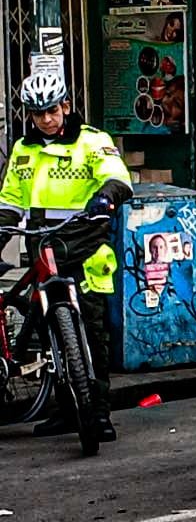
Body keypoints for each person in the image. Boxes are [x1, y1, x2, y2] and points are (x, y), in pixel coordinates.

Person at [0, 71, 133, 441]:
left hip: (86, 243)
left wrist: (106, 197)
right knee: (48, 330)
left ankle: (99, 413)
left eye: (52, 110)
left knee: (91, 328)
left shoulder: (91, 141)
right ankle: (64, 409)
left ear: (66, 106)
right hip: (42, 244)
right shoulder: (23, 150)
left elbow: (118, 177)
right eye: (38, 112)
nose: (46, 118)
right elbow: (10, 203)